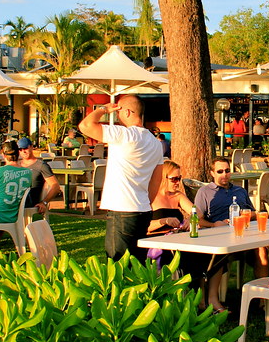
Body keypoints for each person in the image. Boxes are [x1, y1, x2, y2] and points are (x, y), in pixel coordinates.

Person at [78, 94, 164, 262]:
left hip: (122, 209)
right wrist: (145, 202)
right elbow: (156, 179)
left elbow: (85, 125)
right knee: (137, 264)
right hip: (143, 210)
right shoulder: (155, 143)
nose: (116, 116)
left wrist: (104, 109)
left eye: (118, 111)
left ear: (128, 112)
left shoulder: (124, 135)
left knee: (118, 265)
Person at [193, 157, 269, 312]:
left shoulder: (239, 191)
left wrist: (246, 214)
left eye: (227, 171)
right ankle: (212, 299)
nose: (224, 175)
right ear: (212, 173)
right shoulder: (205, 192)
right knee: (220, 253)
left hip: (244, 235)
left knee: (261, 249)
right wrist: (214, 224)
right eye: (220, 171)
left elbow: (253, 212)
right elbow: (198, 220)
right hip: (220, 237)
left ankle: (263, 299)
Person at [17, 137, 61, 218]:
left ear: (31, 147)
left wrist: (44, 202)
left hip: (29, 200)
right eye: (20, 149)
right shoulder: (16, 165)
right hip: (15, 198)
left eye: (25, 148)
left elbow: (55, 186)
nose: (23, 151)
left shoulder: (41, 165)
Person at [148, 161, 193, 234]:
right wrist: (164, 221)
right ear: (163, 177)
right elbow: (142, 225)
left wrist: (190, 219)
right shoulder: (150, 196)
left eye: (179, 178)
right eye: (174, 179)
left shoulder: (178, 196)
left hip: (176, 237)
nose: (178, 182)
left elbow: (197, 212)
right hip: (155, 239)